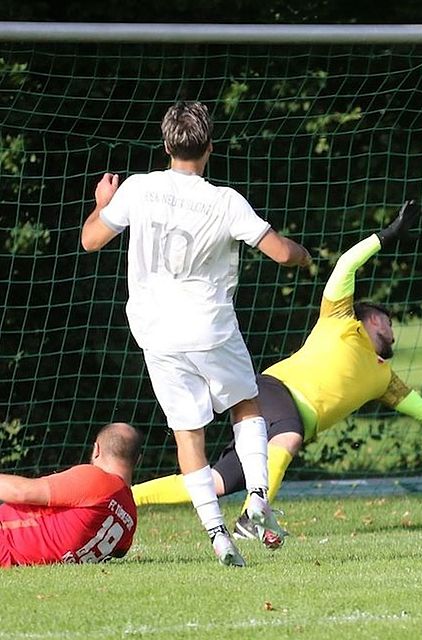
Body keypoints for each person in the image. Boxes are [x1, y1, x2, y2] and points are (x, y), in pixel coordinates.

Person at [132, 200, 422, 538]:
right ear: (374, 319)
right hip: (273, 393)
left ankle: (127, 497)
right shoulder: (340, 319)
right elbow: (346, 264)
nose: (394, 332)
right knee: (291, 437)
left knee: (214, 483)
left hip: (282, 413)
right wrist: (387, 235)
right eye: (390, 324)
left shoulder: (384, 380)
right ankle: (251, 518)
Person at [80, 101, 312, 567]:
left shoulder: (140, 189)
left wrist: (103, 204)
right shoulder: (225, 200)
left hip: (157, 332)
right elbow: (283, 254)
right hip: (210, 326)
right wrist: (304, 256)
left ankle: (217, 534)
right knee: (246, 405)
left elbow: (90, 240)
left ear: (166, 145)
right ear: (209, 148)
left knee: (188, 433)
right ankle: (259, 500)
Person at [0, 422, 142, 567]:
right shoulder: (131, 516)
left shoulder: (96, 480)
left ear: (96, 450)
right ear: (138, 460)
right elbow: (120, 552)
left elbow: (21, 492)